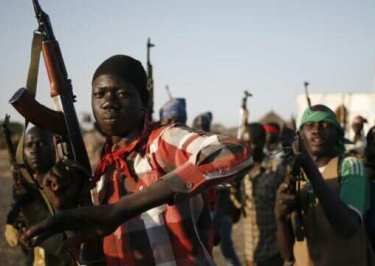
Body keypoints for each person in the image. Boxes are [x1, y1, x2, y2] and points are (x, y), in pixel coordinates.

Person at [24, 55, 252, 266]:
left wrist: (121, 210)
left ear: (143, 100)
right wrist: (68, 209)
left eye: (122, 93)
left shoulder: (161, 141)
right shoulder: (101, 172)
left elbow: (233, 151)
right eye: (99, 94)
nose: (108, 102)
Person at [275, 104, 370, 266]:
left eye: (325, 125)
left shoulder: (350, 166)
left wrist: (309, 168)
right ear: (300, 135)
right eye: (310, 125)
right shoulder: (296, 174)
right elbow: (287, 255)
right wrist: (280, 218)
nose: (316, 130)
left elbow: (348, 226)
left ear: (337, 134)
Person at [4, 126, 75, 266]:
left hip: (66, 255)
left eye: (41, 143)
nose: (34, 149)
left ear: (54, 147)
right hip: (37, 256)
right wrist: (13, 225)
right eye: (29, 145)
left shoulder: (66, 178)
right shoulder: (22, 185)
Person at [241, 123, 284, 266]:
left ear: (262, 142)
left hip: (272, 255)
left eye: (251, 143)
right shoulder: (240, 172)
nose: (246, 148)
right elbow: (237, 212)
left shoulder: (276, 169)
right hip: (249, 255)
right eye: (244, 143)